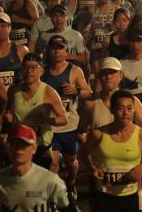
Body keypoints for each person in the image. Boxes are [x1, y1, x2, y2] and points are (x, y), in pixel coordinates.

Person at [83, 90, 142, 212]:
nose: (125, 113)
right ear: (112, 110)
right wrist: (92, 168)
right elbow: (83, 153)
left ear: (134, 110)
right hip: (104, 196)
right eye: (120, 108)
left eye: (129, 108)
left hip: (130, 197)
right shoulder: (98, 134)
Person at [41, 35, 92, 209]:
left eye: (60, 48)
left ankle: (71, 183)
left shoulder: (74, 71)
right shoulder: (42, 72)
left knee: (71, 163)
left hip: (70, 125)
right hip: (51, 127)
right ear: (49, 51)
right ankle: (54, 196)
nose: (57, 52)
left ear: (66, 50)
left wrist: (76, 91)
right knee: (53, 164)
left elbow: (88, 92)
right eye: (54, 48)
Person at [0, 124, 69, 212]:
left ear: (34, 148)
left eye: (24, 145)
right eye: (14, 144)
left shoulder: (50, 181)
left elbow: (66, 207)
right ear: (8, 147)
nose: (18, 149)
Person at [3, 53, 67, 169]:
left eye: (33, 67)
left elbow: (63, 119)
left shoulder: (49, 92)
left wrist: (47, 120)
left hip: (40, 147)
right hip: (19, 145)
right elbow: (9, 113)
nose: (29, 71)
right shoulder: (13, 91)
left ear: (41, 71)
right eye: (26, 67)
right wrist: (9, 119)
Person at [78, 57, 142, 138]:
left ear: (121, 75)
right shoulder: (90, 104)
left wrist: (141, 139)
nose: (108, 76)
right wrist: (89, 144)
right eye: (105, 73)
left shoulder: (131, 101)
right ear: (100, 76)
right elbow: (81, 132)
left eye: (112, 72)